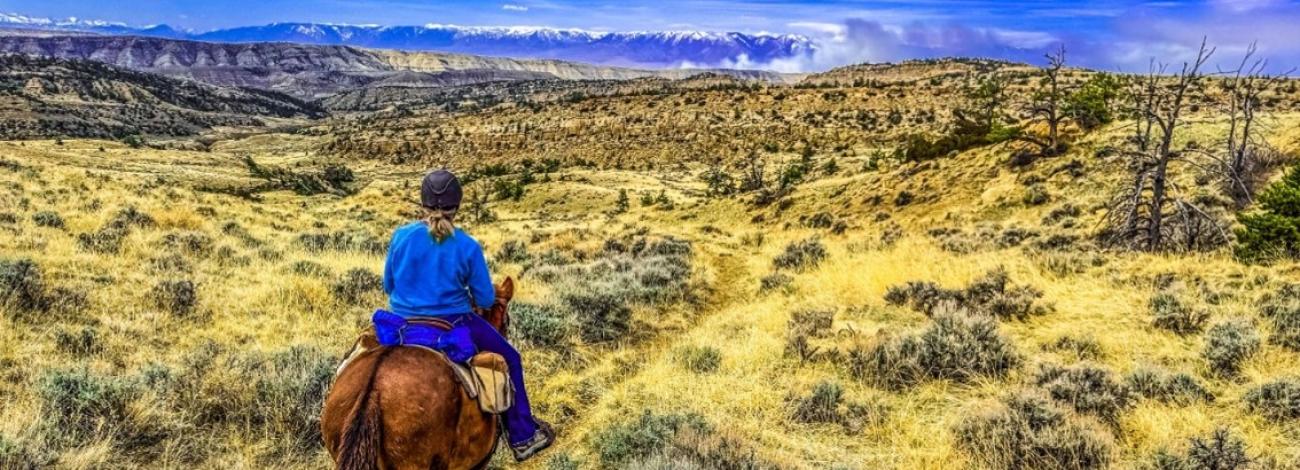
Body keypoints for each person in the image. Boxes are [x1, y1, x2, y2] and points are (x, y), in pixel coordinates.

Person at [382, 169, 554, 462]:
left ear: (423, 204)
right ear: (457, 206)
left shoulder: (401, 237)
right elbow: (487, 298)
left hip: (400, 323)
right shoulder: (467, 246)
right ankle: (524, 436)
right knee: (511, 359)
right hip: (453, 321)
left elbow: (388, 285)